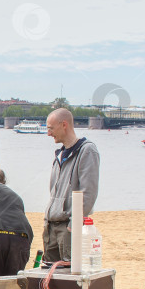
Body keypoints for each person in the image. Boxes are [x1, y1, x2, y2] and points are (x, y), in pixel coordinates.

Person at [43, 107, 100, 262]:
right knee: (49, 275)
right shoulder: (59, 155)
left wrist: (74, 224)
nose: (48, 133)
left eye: (51, 128)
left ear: (64, 125)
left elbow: (89, 191)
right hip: (51, 227)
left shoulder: (87, 150)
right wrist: (46, 220)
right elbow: (53, 193)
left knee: (70, 275)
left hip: (68, 228)